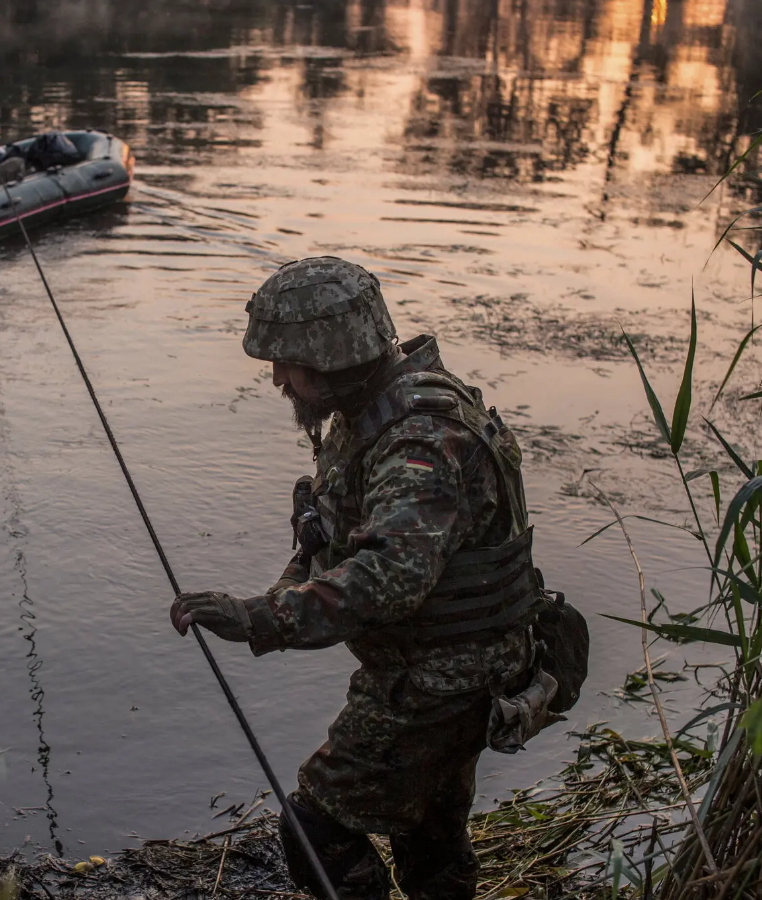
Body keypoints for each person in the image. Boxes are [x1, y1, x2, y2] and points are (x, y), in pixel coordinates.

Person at [170, 257, 549, 900]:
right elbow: (338, 549)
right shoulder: (373, 410)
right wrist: (270, 598)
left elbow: (389, 580)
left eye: (286, 362)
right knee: (428, 838)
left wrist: (258, 620)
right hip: (448, 663)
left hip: (441, 677)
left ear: (331, 354)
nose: (277, 381)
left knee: (315, 825)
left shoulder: (419, 435)